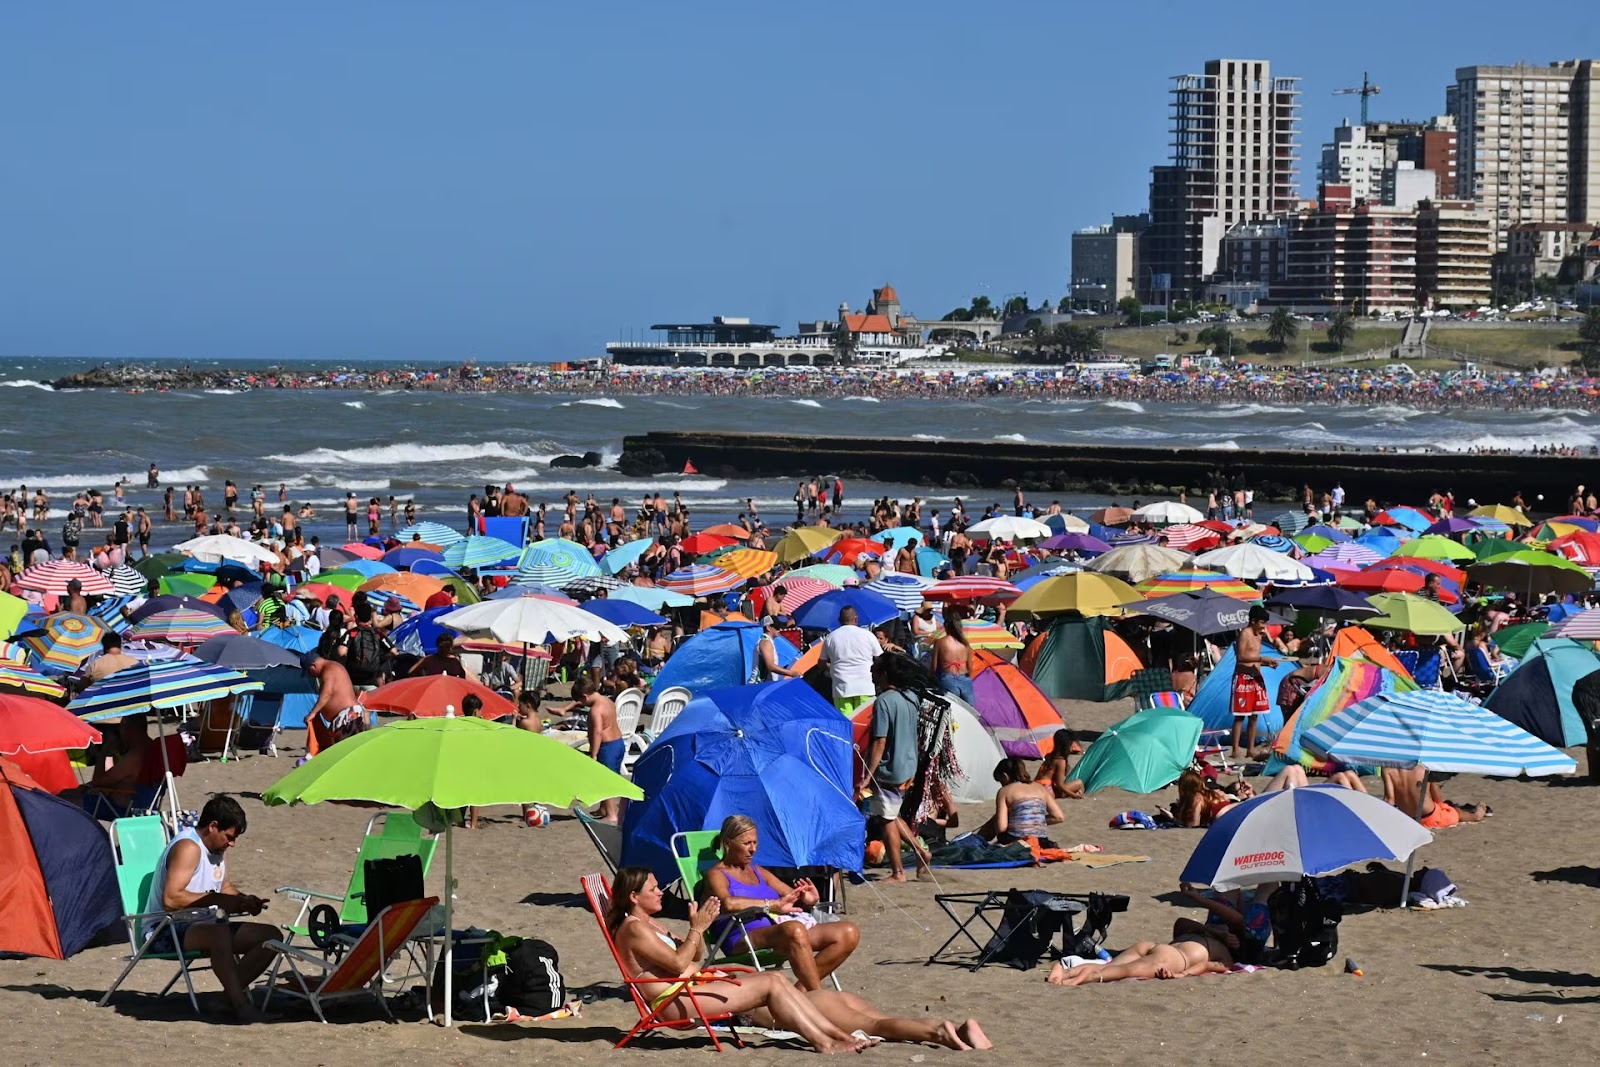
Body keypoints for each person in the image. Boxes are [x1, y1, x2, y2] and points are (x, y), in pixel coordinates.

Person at [607, 868, 987, 1053]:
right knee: (779, 983)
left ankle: (945, 1028)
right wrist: (696, 930)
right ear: (633, 897)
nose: (661, 892)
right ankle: (834, 1040)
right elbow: (676, 966)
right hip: (681, 1002)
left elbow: (695, 955)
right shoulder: (632, 929)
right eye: (654, 888)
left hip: (708, 989)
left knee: (846, 1003)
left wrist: (695, 931)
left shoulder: (648, 924)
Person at [143, 795, 278, 1022]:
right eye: (229, 837)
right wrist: (216, 900)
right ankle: (241, 1005)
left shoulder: (217, 851)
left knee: (270, 937)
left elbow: (224, 887)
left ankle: (225, 999)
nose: (232, 843)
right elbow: (171, 899)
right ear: (213, 826)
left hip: (204, 926)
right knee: (219, 933)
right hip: (163, 929)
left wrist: (244, 900)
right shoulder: (188, 847)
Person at [702, 815, 861, 992]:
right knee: (794, 929)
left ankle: (801, 990)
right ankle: (818, 995)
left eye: (755, 843)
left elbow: (790, 896)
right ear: (728, 843)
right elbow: (729, 903)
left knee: (848, 933)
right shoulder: (716, 874)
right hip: (740, 936)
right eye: (747, 843)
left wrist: (808, 899)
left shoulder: (758, 871)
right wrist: (771, 904)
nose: (753, 849)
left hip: (782, 931)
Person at [856, 654, 932, 882]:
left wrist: (867, 775)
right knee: (890, 813)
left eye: (875, 672)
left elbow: (879, 741)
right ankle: (921, 851)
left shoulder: (884, 701)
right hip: (909, 765)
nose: (872, 677)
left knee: (886, 819)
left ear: (884, 674)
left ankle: (898, 872)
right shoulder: (910, 697)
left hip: (891, 768)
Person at [1047, 916, 1238, 986]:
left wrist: (1183, 974)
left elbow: (1181, 923)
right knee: (1119, 970)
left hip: (1154, 948)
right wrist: (1182, 974)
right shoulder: (1215, 945)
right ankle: (1080, 977)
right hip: (1171, 956)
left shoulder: (1213, 945)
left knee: (1113, 966)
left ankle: (1065, 971)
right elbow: (1181, 923)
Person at [568, 676, 624, 822]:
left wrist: (593, 753)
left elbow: (598, 732)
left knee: (605, 780)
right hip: (618, 743)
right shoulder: (608, 701)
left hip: (607, 746)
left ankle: (611, 813)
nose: (581, 704)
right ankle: (603, 808)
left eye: (581, 701)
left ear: (585, 696)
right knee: (607, 778)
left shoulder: (595, 710)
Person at [1231, 606, 1278, 759]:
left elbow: (1254, 658)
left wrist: (1267, 663)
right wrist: (1261, 659)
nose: (1264, 626)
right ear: (1253, 621)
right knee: (1240, 715)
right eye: (1262, 623)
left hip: (1256, 677)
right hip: (1243, 677)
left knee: (1255, 715)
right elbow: (1241, 657)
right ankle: (1235, 749)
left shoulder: (1259, 636)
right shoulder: (1245, 633)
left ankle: (1250, 749)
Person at [985, 757, 1064, 848]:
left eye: (1001, 781)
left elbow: (1002, 827)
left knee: (996, 818)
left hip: (1016, 839)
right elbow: (1059, 817)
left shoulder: (1005, 791)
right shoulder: (1040, 788)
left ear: (1005, 776)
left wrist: (1019, 821)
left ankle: (979, 838)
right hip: (1040, 841)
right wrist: (1032, 821)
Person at [818, 605, 881, 715]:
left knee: (847, 725)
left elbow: (821, 663)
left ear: (839, 620)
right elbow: (880, 658)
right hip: (865, 686)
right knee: (864, 726)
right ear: (856, 619)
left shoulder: (831, 637)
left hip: (842, 688)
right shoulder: (868, 635)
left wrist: (829, 666)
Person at [1382, 765, 1487, 829]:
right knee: (1456, 812)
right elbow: (1435, 791)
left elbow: (1390, 799)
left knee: (1443, 807)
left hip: (1406, 816)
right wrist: (1442, 806)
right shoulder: (1422, 768)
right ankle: (1475, 816)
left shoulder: (1387, 770)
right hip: (1428, 815)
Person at [304, 656, 367, 758]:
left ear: (313, 666)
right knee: (344, 752)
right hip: (345, 717)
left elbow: (327, 693)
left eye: (309, 672)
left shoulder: (329, 669)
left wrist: (313, 713)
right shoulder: (332, 667)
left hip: (348, 716)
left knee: (345, 753)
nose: (311, 675)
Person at [932, 606, 975, 704]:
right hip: (965, 679)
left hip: (947, 679)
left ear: (946, 626)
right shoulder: (965, 643)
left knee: (951, 712)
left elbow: (934, 667)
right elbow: (970, 668)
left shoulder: (939, 642)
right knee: (971, 713)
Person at [1034, 729, 1086, 799]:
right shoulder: (1061, 761)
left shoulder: (1050, 755)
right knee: (1079, 783)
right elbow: (1059, 785)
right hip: (1046, 790)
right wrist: (1073, 795)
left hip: (1036, 786)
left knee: (1072, 784)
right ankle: (1078, 794)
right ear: (1067, 744)